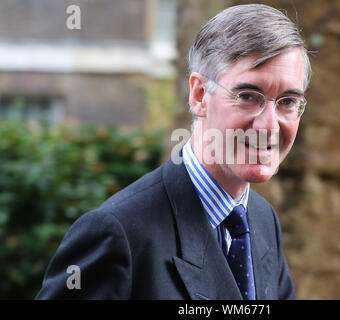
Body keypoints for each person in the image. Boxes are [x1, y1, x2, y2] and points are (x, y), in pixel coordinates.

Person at [36, 4, 311, 300]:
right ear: (199, 95)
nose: (269, 124)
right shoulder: (118, 233)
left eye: (287, 101)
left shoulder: (262, 219)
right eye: (247, 96)